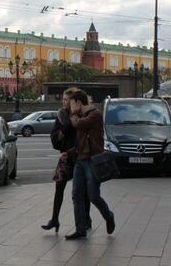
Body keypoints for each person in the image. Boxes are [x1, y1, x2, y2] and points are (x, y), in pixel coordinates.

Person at [65, 90, 115, 240]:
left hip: (92, 161)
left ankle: (108, 216)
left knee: (93, 196)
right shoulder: (82, 116)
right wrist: (69, 152)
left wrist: (73, 114)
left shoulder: (95, 115)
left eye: (72, 104)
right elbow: (81, 141)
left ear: (79, 103)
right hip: (80, 161)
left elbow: (78, 124)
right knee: (76, 195)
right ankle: (81, 229)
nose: (70, 107)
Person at [41, 87, 91, 233]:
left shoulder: (82, 116)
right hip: (65, 156)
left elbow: (79, 137)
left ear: (75, 102)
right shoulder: (61, 115)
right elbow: (55, 138)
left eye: (66, 100)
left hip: (79, 157)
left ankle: (86, 219)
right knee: (59, 187)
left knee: (82, 191)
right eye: (62, 99)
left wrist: (66, 128)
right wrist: (63, 130)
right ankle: (54, 219)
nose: (63, 102)